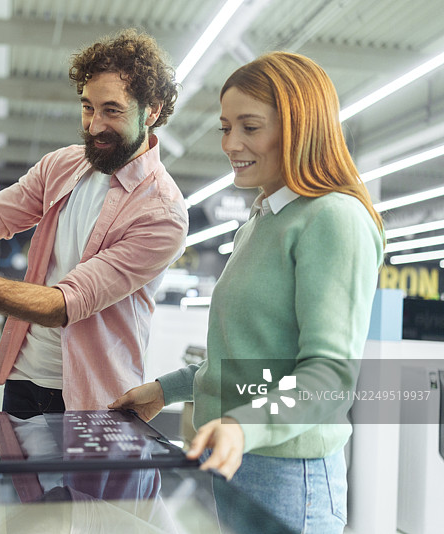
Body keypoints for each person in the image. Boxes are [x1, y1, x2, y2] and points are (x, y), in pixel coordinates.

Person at [110, 51, 384, 534]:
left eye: (250, 127)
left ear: (300, 128)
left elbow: (329, 375)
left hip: (288, 474)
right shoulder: (259, 222)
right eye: (225, 127)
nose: (230, 143)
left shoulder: (334, 219)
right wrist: (164, 390)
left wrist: (243, 427)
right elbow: (245, 358)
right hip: (234, 460)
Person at [0, 29, 188, 412]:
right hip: (23, 380)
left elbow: (65, 305)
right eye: (88, 107)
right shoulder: (64, 165)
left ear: (152, 110)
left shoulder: (162, 212)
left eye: (112, 110)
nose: (94, 125)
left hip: (93, 400)